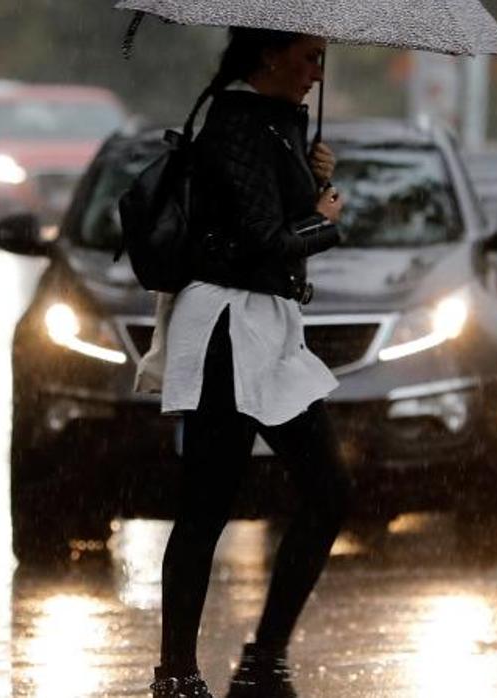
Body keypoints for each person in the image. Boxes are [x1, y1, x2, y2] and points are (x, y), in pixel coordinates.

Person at [148, 27, 351, 698]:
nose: (316, 73)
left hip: (266, 328)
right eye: (308, 57)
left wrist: (310, 178)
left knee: (326, 492)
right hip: (227, 330)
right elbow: (263, 242)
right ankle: (178, 674)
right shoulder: (236, 122)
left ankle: (262, 662)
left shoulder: (276, 125)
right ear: (269, 55)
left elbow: (265, 224)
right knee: (208, 503)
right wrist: (324, 217)